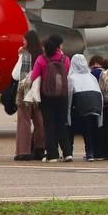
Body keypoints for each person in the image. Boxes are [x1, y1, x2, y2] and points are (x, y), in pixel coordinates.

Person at [30, 34, 72, 162]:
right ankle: (67, 153)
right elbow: (67, 74)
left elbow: (33, 76)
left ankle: (52, 154)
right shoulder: (65, 59)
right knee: (62, 124)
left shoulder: (41, 60)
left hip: (47, 95)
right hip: (62, 95)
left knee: (49, 125)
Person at [13, 30, 45, 161]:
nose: (23, 42)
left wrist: (18, 56)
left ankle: (24, 151)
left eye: (24, 40)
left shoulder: (24, 55)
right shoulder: (43, 55)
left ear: (28, 41)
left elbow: (15, 75)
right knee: (40, 122)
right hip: (40, 92)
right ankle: (39, 149)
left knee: (24, 122)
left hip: (26, 93)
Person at [68, 54, 103, 161]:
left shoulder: (71, 78)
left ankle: (69, 152)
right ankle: (90, 153)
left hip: (80, 104)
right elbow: (100, 94)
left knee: (70, 128)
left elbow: (69, 96)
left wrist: (67, 113)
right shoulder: (91, 77)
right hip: (95, 104)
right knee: (89, 130)